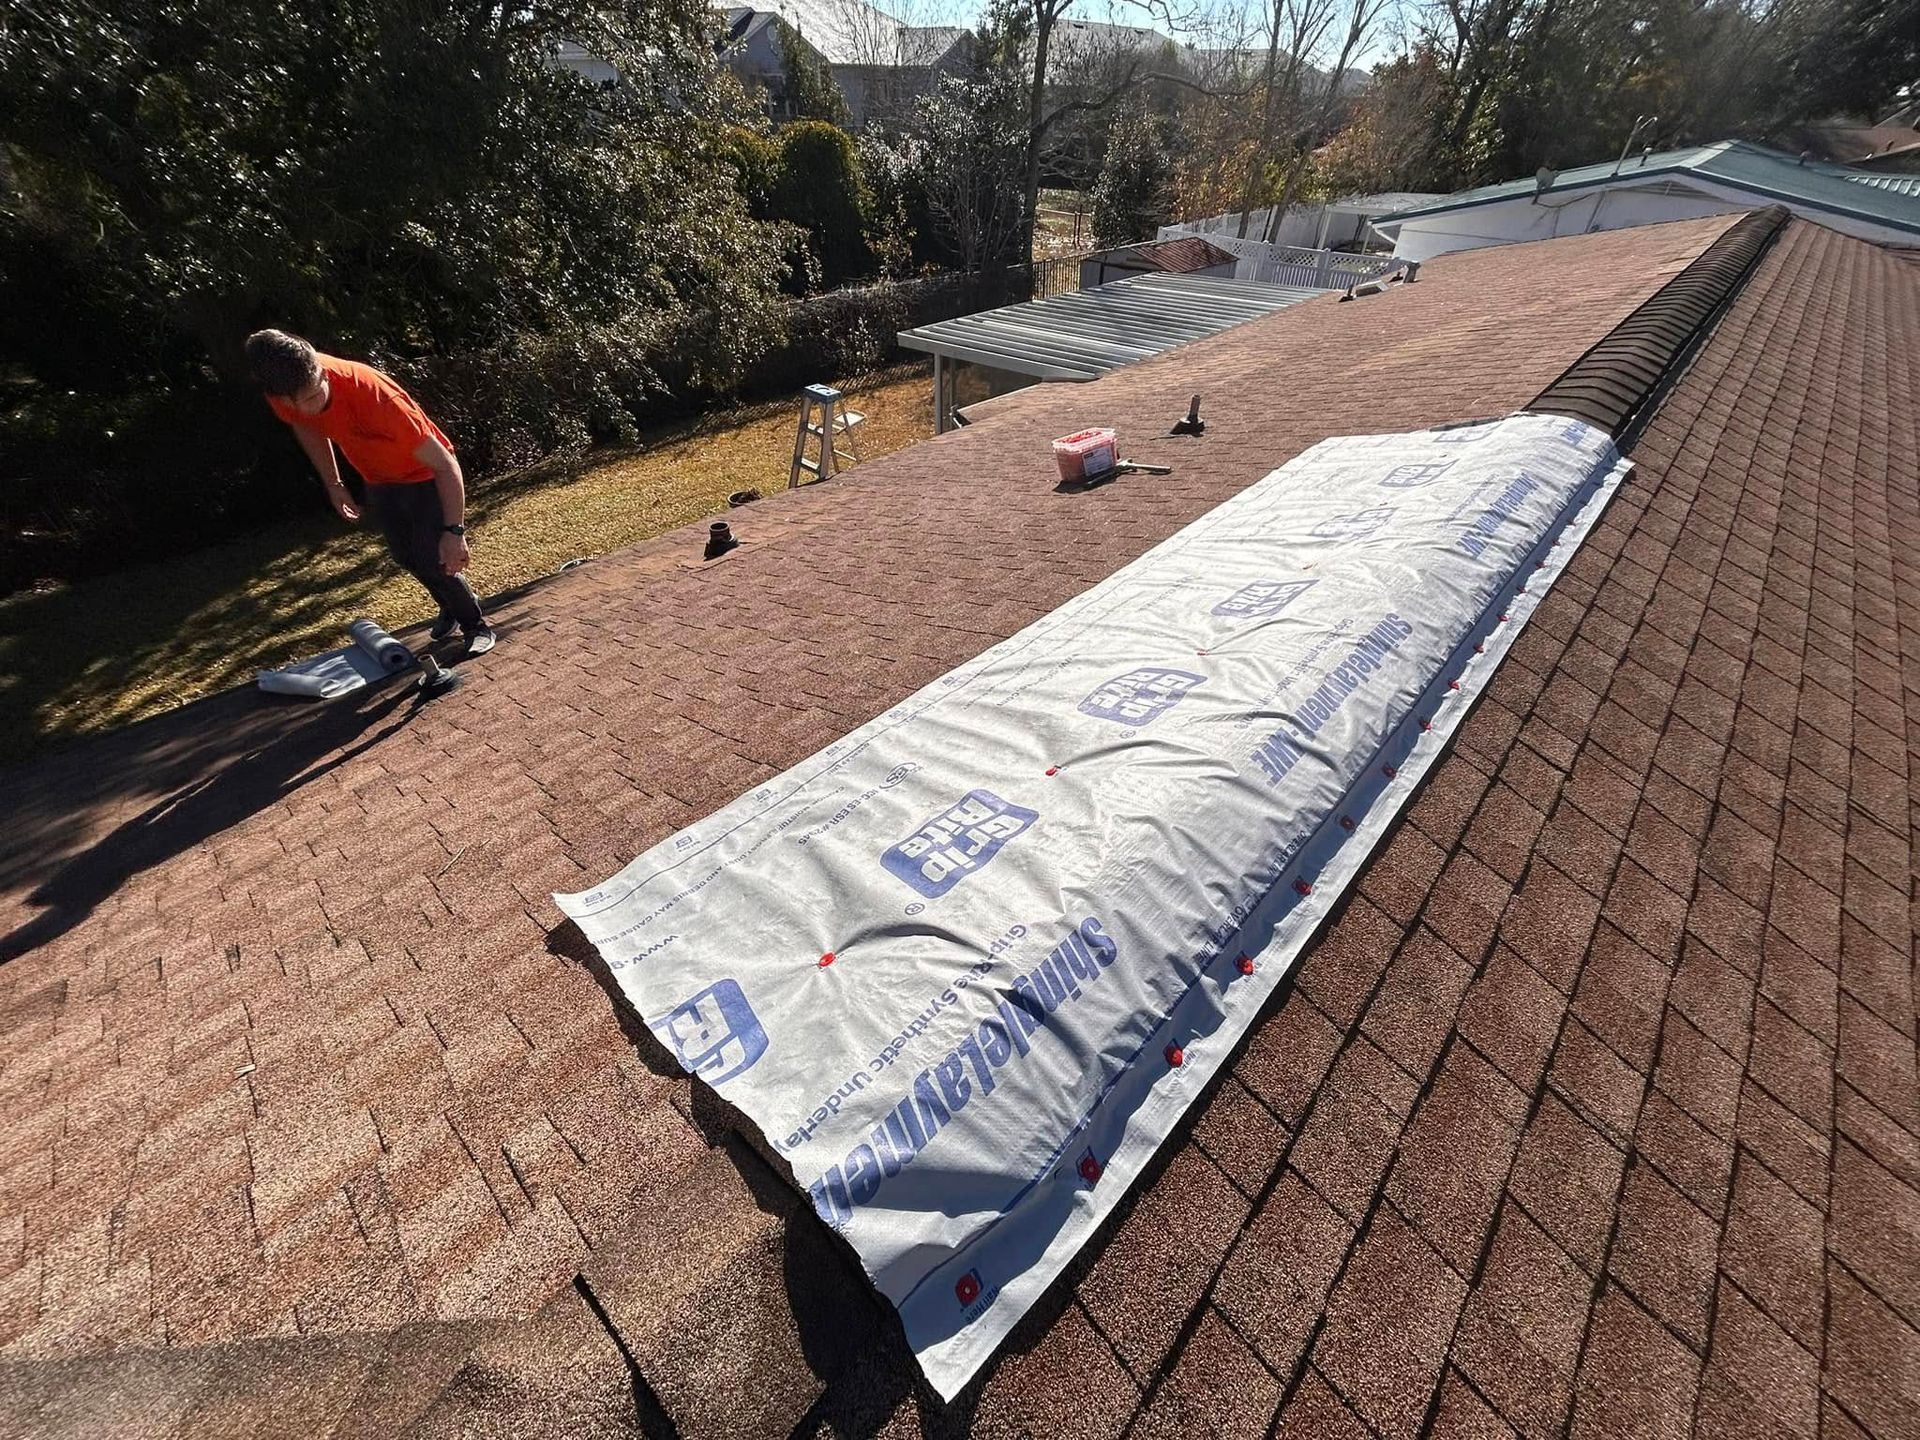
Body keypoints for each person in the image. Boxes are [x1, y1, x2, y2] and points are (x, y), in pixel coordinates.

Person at [244, 329, 495, 655]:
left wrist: (455, 531)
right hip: (378, 479)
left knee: (434, 558)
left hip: (424, 475)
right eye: (306, 399)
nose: (319, 397)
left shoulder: (375, 396)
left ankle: (476, 625)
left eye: (320, 384)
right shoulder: (282, 393)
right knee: (405, 555)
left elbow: (445, 465)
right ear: (283, 398)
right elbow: (307, 427)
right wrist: (334, 483)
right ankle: (450, 603)